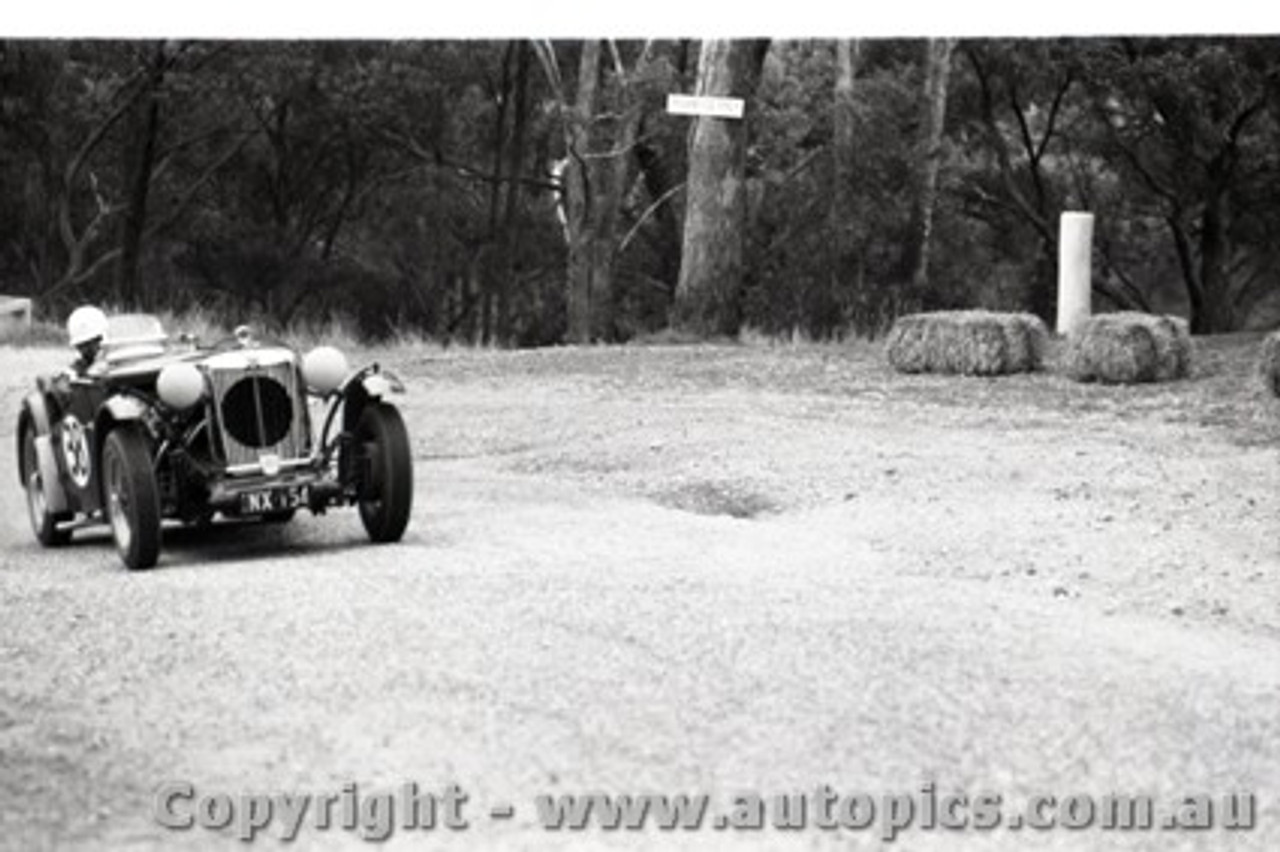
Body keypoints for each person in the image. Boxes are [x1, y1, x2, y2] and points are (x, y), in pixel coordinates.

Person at [65, 305, 108, 376]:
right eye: (79, 346)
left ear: (99, 339)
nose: (83, 351)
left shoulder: (114, 359)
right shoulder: (81, 365)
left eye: (86, 345)